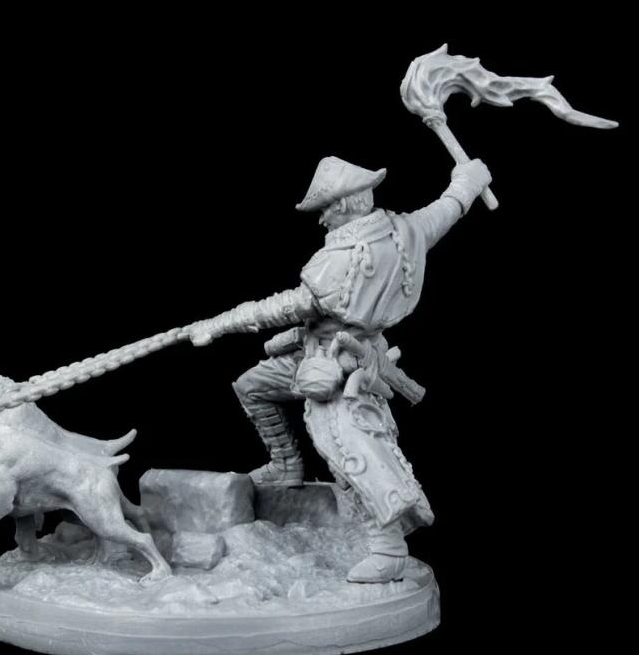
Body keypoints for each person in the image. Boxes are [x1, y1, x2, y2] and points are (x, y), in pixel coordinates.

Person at [189, 155, 491, 581]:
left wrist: (221, 323)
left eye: (326, 208)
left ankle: (389, 549)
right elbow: (451, 204)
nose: (322, 218)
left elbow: (287, 307)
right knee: (252, 386)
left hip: (341, 367)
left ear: (347, 204)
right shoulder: (409, 229)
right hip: (313, 352)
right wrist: (470, 181)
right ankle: (286, 464)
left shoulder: (343, 259)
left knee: (349, 448)